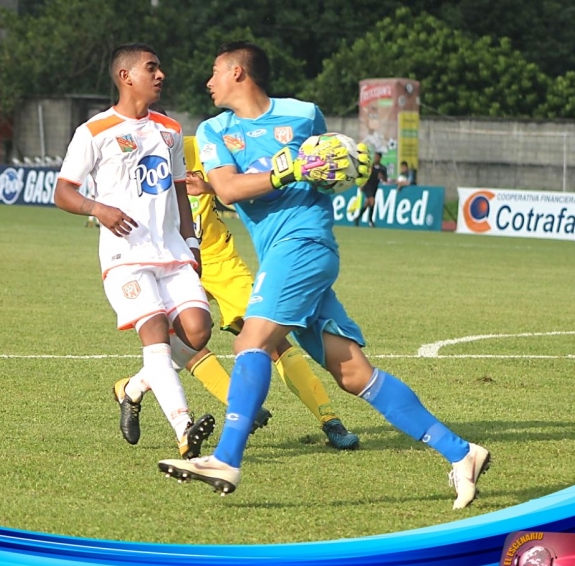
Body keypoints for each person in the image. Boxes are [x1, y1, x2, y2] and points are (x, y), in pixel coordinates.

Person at [158, 41, 490, 509]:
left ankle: (227, 459)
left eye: (215, 71)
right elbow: (228, 189)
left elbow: (332, 164)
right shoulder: (215, 130)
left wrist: (348, 165)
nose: (208, 81)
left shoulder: (304, 114)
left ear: (237, 72)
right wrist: (286, 170)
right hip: (281, 253)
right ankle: (461, 453)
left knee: (251, 342)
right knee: (353, 374)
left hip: (305, 244)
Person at [114, 134, 360, 451]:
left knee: (271, 338)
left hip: (219, 261)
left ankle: (330, 420)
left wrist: (209, 187)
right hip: (167, 264)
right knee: (188, 345)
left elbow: (240, 190)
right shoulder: (128, 160)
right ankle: (237, 404)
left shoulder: (200, 149)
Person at [54, 43, 216, 460]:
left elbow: (179, 191)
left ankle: (132, 388)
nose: (161, 75)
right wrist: (98, 209)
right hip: (125, 256)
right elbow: (63, 192)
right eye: (151, 68)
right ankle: (184, 429)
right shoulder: (94, 131)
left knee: (198, 331)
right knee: (156, 333)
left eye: (159, 68)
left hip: (172, 252)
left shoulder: (171, 130)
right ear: (126, 77)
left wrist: (191, 242)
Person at [355, 151, 387, 227]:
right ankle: (370, 221)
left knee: (367, 203)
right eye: (375, 157)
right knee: (372, 201)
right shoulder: (370, 167)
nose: (375, 158)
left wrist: (382, 177)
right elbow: (365, 176)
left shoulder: (383, 168)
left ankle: (357, 218)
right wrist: (362, 184)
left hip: (374, 187)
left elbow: (385, 179)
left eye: (377, 157)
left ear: (380, 158)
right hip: (367, 186)